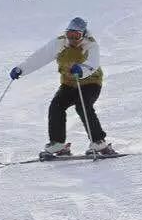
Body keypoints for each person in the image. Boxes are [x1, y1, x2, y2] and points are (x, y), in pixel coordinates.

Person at [9, 17, 115, 156]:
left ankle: (98, 142)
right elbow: (40, 57)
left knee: (82, 106)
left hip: (90, 82)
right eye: (69, 34)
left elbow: (93, 63)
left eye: (75, 36)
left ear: (83, 35)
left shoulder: (91, 45)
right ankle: (58, 144)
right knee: (56, 106)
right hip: (69, 83)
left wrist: (82, 69)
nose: (71, 39)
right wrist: (21, 69)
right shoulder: (60, 43)